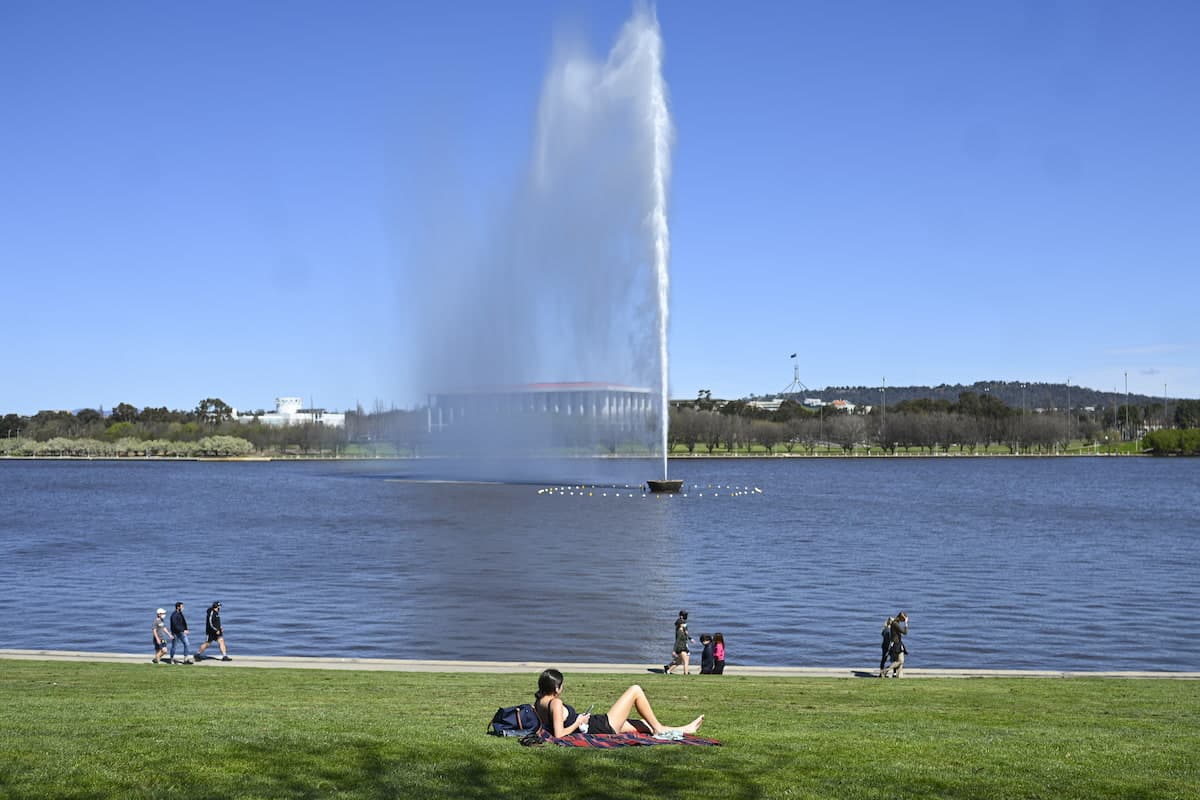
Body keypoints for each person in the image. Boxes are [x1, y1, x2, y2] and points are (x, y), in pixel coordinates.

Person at [533, 668, 704, 738]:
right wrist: (578, 721)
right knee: (636, 690)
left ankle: (685, 729)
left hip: (593, 724)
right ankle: (660, 730)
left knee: (644, 725)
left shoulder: (539, 701)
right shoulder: (555, 703)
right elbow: (559, 734)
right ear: (556, 688)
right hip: (601, 726)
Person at [664, 610, 693, 675]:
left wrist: (690, 638)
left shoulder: (682, 627)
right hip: (681, 647)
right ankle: (686, 673)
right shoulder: (679, 630)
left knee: (679, 661)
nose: (685, 625)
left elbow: (686, 633)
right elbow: (677, 641)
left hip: (683, 646)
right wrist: (674, 650)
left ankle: (668, 668)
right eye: (683, 624)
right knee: (685, 661)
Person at [881, 611, 909, 678]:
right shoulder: (895, 624)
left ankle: (898, 675)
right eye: (904, 619)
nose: (904, 620)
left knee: (900, 661)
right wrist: (906, 623)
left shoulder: (896, 623)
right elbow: (905, 632)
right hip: (896, 644)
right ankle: (885, 670)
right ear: (901, 618)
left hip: (898, 643)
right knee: (899, 661)